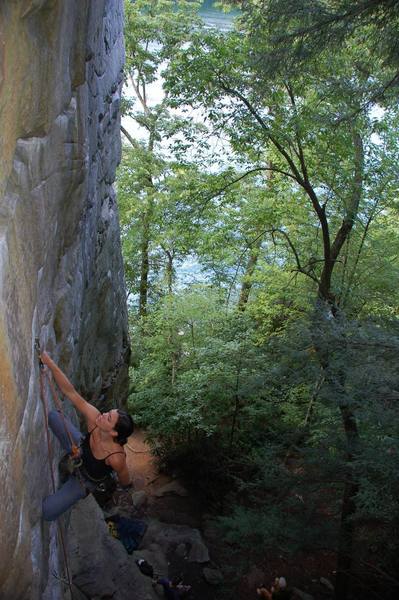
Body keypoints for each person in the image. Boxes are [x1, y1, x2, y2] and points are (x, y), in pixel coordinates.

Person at [40, 351, 134, 521]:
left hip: (84, 480)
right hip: (79, 449)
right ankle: (69, 460)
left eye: (109, 418)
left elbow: (125, 479)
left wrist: (125, 491)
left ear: (113, 432)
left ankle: (70, 478)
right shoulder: (95, 417)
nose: (104, 414)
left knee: (47, 512)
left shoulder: (116, 458)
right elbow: (71, 393)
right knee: (54, 417)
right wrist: (49, 362)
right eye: (108, 412)